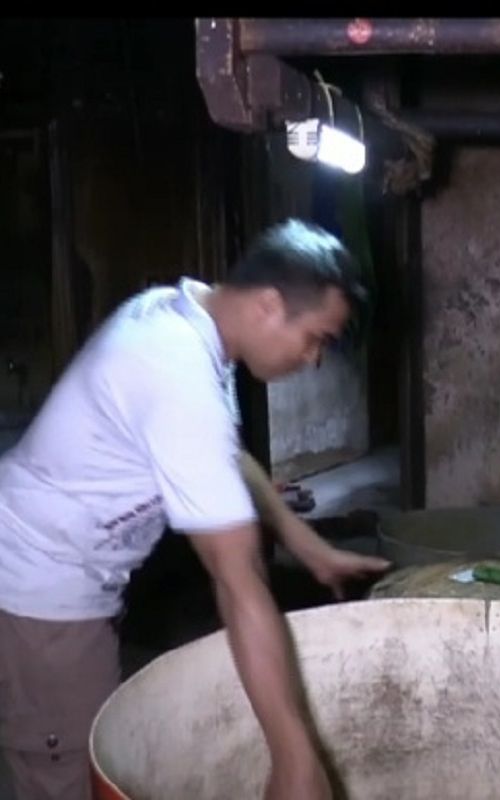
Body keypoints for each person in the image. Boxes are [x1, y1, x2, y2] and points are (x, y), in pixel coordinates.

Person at [0, 219, 391, 800]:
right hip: (40, 596)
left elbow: (224, 453)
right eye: (316, 338)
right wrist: (293, 758)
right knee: (69, 780)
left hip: (52, 573)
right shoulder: (175, 370)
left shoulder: (185, 319)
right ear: (267, 305)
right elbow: (238, 583)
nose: (313, 360)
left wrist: (301, 540)